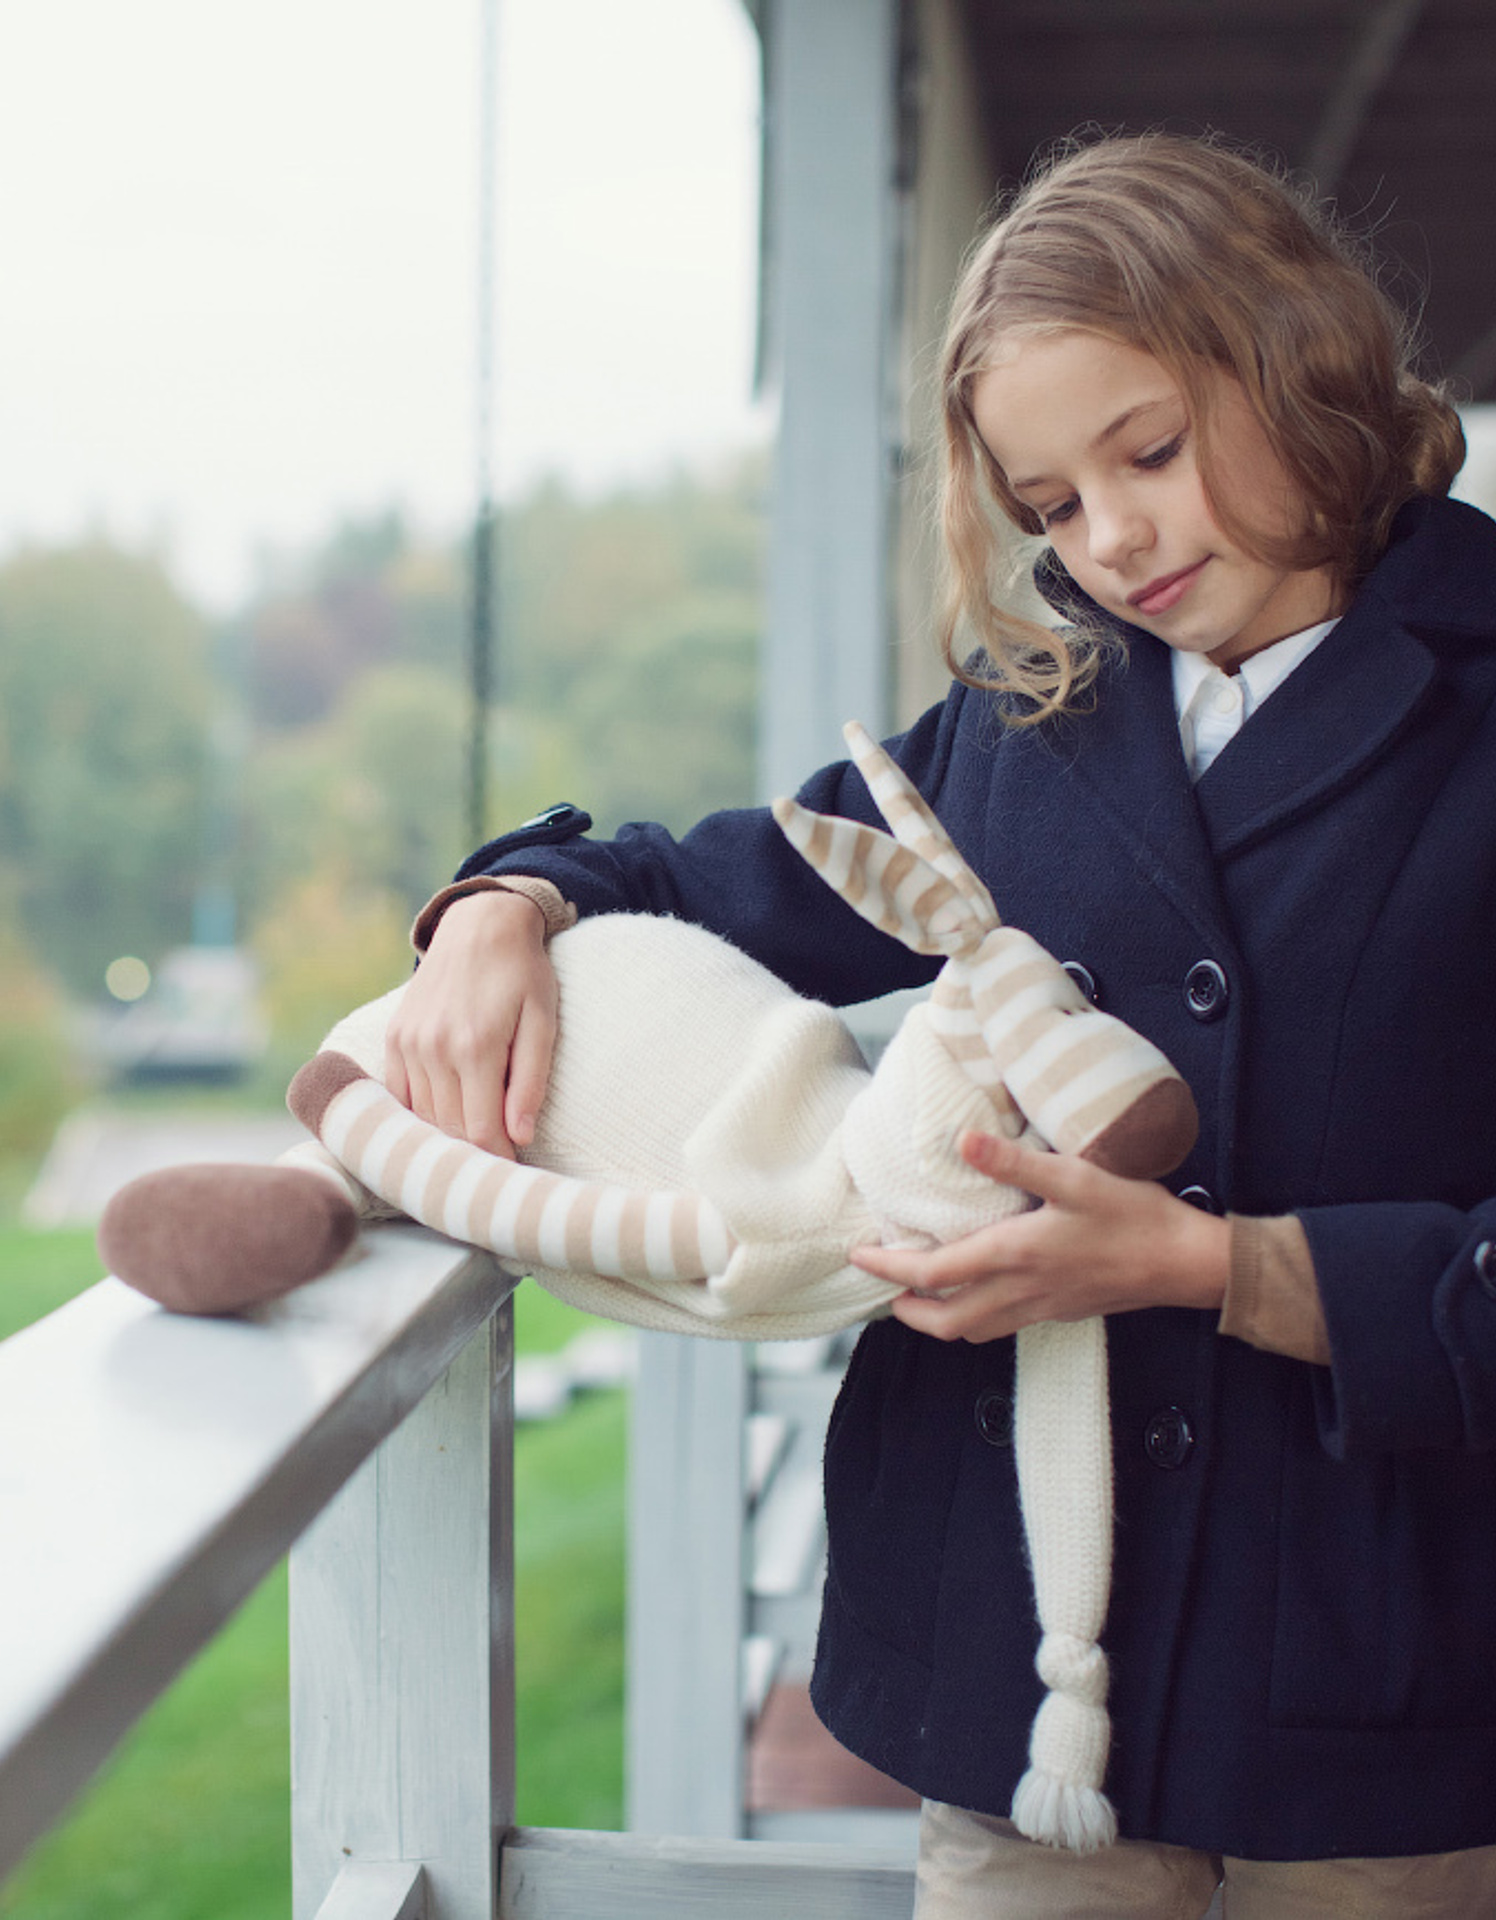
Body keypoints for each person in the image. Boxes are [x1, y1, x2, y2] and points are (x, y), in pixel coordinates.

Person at [382, 135, 1496, 1915]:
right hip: (1020, 1675)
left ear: (1303, 358)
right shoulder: (1027, 714)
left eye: (1149, 450)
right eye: (1048, 503)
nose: (1111, 538)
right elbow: (720, 875)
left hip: (1388, 1675)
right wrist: (507, 904)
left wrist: (1209, 1269)